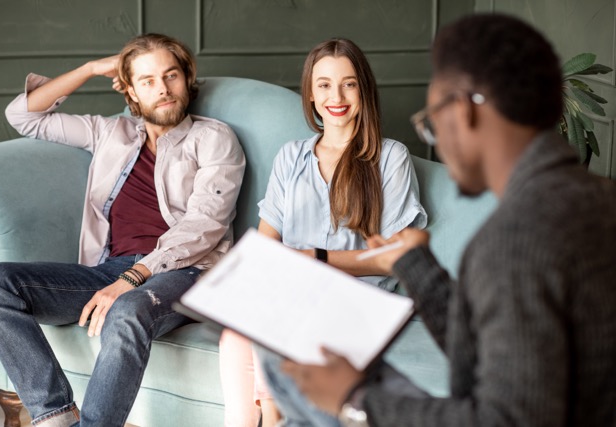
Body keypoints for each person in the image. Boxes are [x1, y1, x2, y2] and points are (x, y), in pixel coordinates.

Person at [260, 13, 616, 427]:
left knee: (295, 378)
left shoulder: (514, 240)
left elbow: (506, 419)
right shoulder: (597, 200)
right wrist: (419, 271)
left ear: (463, 113)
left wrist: (356, 400)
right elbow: (501, 353)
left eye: (431, 124)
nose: (438, 142)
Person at [0, 33, 245, 427]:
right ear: (132, 92)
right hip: (110, 269)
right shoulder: (110, 132)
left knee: (128, 307)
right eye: (148, 80)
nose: (164, 89)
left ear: (187, 80)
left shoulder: (213, 138)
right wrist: (91, 68)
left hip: (190, 273)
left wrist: (134, 278)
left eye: (171, 76)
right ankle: (55, 416)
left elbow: (204, 224)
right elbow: (24, 116)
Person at [218, 38, 427, 426]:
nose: (337, 96)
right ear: (311, 94)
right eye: (325, 84)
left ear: (364, 90)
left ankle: (274, 414)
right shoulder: (291, 156)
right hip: (292, 293)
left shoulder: (390, 158)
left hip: (359, 300)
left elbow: (395, 260)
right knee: (235, 336)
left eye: (349, 83)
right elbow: (265, 246)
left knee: (272, 333)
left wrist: (314, 259)